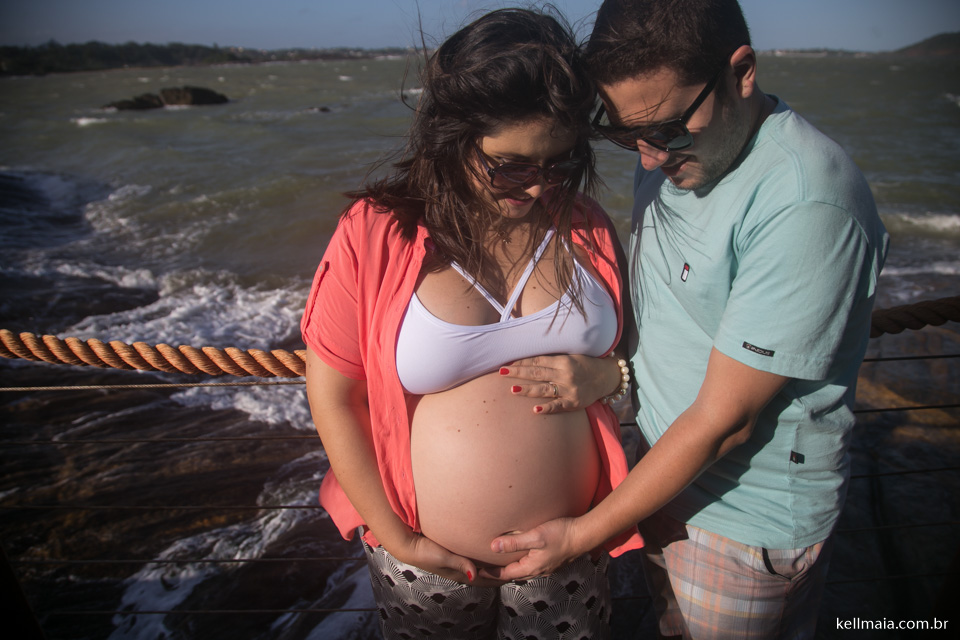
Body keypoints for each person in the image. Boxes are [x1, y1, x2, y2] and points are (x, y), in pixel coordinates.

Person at [492, 0, 890, 637]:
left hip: (741, 521)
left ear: (742, 72)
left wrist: (583, 535)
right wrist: (616, 375)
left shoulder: (806, 202)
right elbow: (673, 311)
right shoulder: (678, 152)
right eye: (625, 135)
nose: (648, 158)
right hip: (659, 478)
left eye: (667, 129)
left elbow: (727, 421)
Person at [300, 8, 642, 639]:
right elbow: (332, 394)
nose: (538, 188)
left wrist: (611, 374)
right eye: (511, 166)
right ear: (452, 137)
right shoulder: (377, 232)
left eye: (559, 164)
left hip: (570, 550)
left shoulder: (588, 226)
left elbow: (641, 359)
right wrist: (402, 539)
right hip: (426, 562)